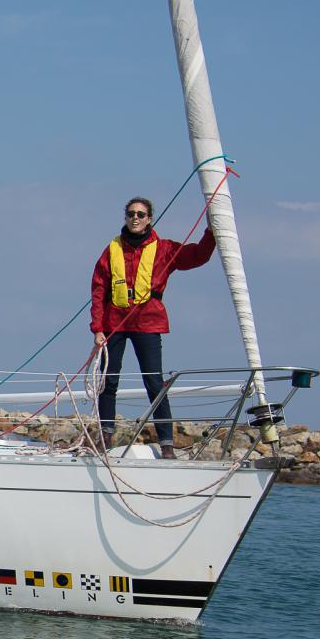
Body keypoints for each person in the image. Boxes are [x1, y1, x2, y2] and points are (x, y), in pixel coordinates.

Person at [90, 197, 216, 459]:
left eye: (140, 214)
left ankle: (167, 444)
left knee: (154, 382)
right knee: (107, 381)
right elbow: (99, 288)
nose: (135, 218)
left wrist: (212, 232)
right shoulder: (111, 249)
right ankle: (105, 438)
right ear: (125, 217)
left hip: (148, 321)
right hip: (114, 322)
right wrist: (97, 328)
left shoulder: (164, 249)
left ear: (149, 219)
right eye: (130, 214)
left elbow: (197, 256)